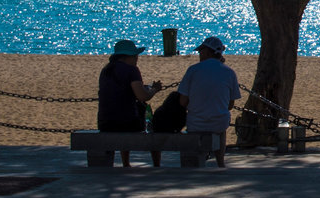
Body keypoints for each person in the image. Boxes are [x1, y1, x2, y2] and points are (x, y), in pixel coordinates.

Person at [176, 36, 241, 168]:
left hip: (196, 123)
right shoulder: (229, 72)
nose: (199, 54)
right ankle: (220, 162)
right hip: (219, 122)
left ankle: (199, 157)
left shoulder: (193, 70)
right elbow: (230, 105)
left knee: (195, 128)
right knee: (221, 129)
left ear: (206, 52)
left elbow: (182, 102)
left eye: (201, 51)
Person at [97, 38, 163, 167]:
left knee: (127, 110)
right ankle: (156, 165)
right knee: (152, 124)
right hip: (126, 123)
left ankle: (126, 163)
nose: (137, 58)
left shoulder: (106, 70)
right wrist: (154, 89)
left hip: (105, 123)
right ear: (129, 56)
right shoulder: (132, 70)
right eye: (136, 55)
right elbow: (142, 96)